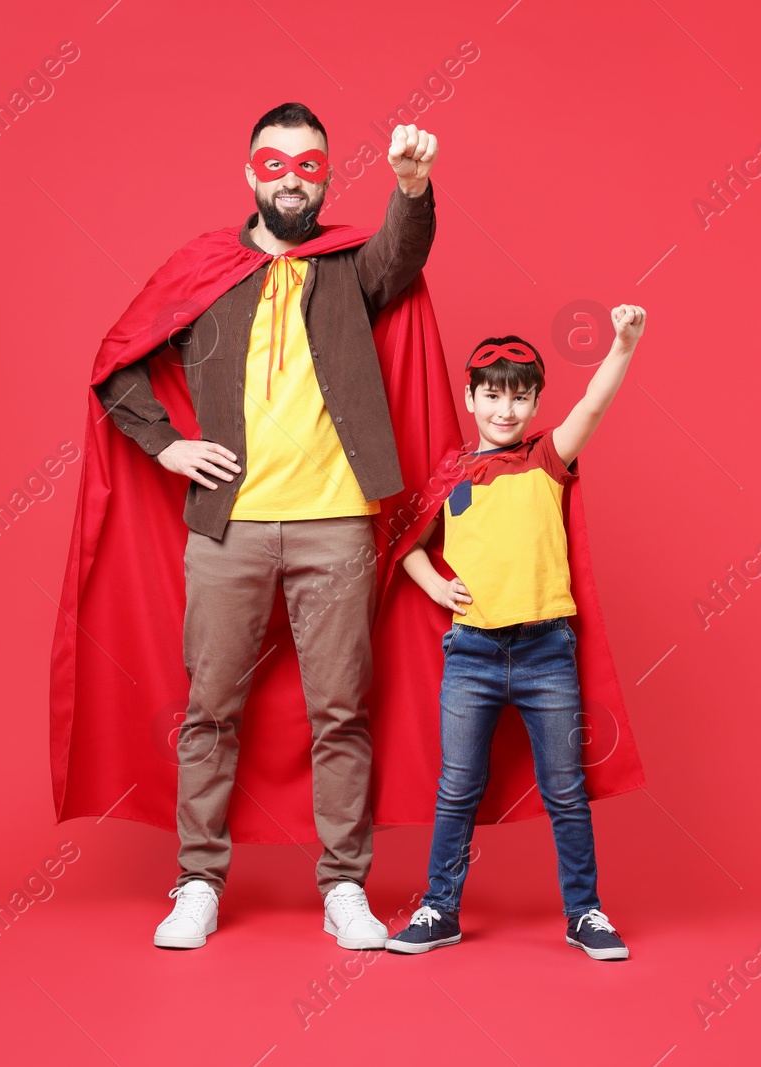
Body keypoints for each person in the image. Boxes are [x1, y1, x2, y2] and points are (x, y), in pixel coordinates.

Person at [90, 103, 438, 950]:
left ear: (325, 175)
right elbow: (117, 359)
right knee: (210, 707)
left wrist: (412, 187)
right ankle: (198, 881)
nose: (290, 177)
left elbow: (403, 254)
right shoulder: (205, 266)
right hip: (229, 524)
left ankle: (345, 885)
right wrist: (168, 447)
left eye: (309, 165)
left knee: (341, 709)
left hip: (337, 526)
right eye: (274, 164)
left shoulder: (351, 261)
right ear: (250, 174)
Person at [385, 306, 646, 961]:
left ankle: (584, 911)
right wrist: (435, 584)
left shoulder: (546, 459)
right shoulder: (449, 476)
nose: (506, 408)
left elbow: (592, 405)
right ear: (471, 397)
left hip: (544, 652)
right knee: (457, 788)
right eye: (493, 394)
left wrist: (622, 345)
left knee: (565, 787)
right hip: (471, 654)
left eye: (520, 395)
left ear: (534, 402)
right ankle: (440, 907)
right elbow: (406, 547)